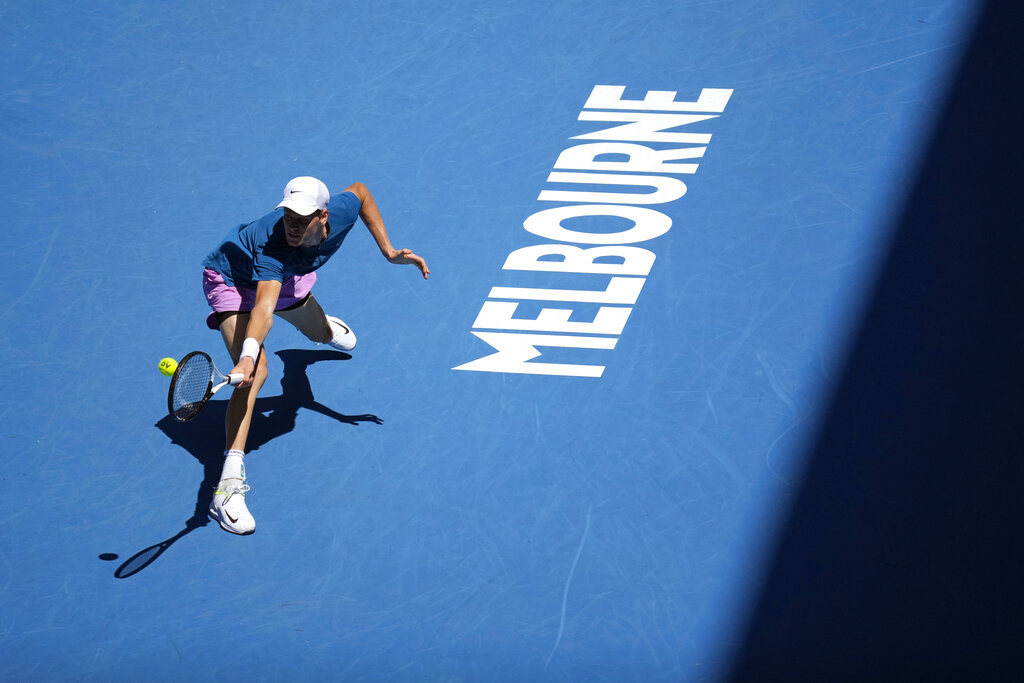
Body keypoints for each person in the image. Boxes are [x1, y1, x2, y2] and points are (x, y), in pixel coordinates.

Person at [200, 176, 429, 534]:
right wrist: (247, 355)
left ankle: (315, 337)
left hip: (287, 278)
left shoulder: (339, 211)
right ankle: (226, 491)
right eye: (287, 216)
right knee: (255, 373)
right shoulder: (273, 245)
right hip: (233, 281)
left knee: (320, 334)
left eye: (301, 219)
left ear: (323, 217)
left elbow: (361, 192)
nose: (291, 225)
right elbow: (263, 309)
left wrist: (388, 251)